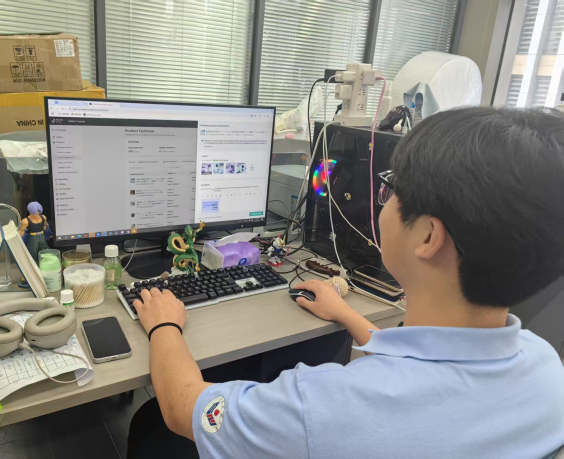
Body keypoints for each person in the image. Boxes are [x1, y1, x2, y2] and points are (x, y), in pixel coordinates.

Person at [127, 107, 564, 458]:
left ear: (429, 238)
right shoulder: (546, 368)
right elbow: (433, 367)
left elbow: (182, 408)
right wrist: (348, 316)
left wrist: (164, 325)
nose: (383, 202)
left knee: (148, 425)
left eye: (391, 190)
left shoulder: (322, 410)